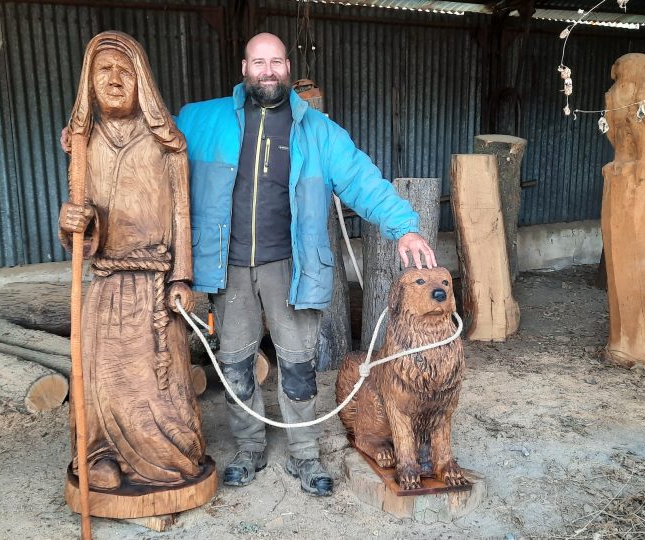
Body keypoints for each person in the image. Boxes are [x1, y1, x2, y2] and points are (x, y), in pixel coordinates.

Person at [63, 32, 436, 497]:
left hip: (293, 267)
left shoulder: (319, 131)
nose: (268, 71)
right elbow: (143, 141)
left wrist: (406, 227)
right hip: (227, 267)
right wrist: (90, 132)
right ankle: (249, 449)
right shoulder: (200, 120)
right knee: (235, 363)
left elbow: (364, 181)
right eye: (259, 62)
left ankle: (304, 455)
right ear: (244, 69)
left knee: (299, 366)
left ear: (286, 67)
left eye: (276, 62)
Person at [57, 31, 204, 491]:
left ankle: (168, 456)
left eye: (125, 70)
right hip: (106, 283)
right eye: (104, 71)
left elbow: (183, 212)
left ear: (142, 80)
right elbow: (78, 232)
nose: (115, 79)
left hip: (156, 284)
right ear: (89, 83)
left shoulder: (168, 146)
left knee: (161, 385)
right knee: (102, 379)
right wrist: (71, 223)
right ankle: (100, 454)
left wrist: (183, 276)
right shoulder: (82, 146)